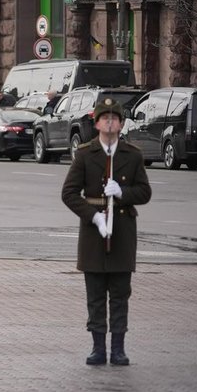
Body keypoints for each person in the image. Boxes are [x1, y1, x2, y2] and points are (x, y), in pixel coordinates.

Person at [60, 93, 151, 366]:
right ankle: (98, 348)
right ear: (96, 124)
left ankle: (119, 349)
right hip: (94, 235)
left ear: (121, 125)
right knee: (96, 295)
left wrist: (123, 192)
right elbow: (69, 193)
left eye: (114, 119)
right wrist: (94, 217)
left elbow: (144, 192)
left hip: (122, 233)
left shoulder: (132, 155)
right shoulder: (85, 154)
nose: (110, 124)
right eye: (105, 119)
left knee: (120, 295)